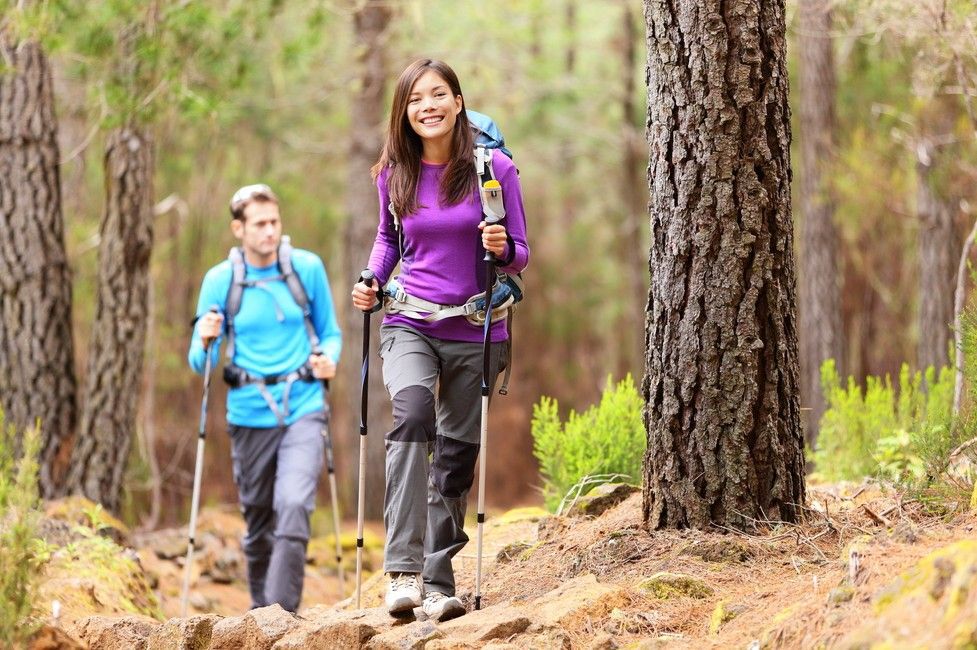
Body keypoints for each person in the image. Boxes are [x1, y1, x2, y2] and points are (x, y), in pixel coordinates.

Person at [351, 59, 529, 622]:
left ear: (457, 102)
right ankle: (401, 571)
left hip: (477, 328)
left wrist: (500, 247)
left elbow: (520, 252)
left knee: (454, 455)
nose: (427, 106)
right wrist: (372, 279)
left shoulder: (491, 168)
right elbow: (389, 237)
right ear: (404, 112)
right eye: (415, 99)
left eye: (437, 95)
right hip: (410, 322)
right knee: (410, 415)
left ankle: (437, 580)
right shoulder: (393, 171)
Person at [188, 183, 342, 612]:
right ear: (239, 229)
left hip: (305, 404)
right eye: (259, 224)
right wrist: (205, 340)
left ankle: (280, 615)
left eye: (275, 222)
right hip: (248, 412)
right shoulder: (220, 281)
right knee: (258, 519)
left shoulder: (306, 268)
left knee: (293, 505)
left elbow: (330, 332)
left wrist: (328, 359)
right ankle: (261, 613)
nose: (270, 231)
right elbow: (201, 365)